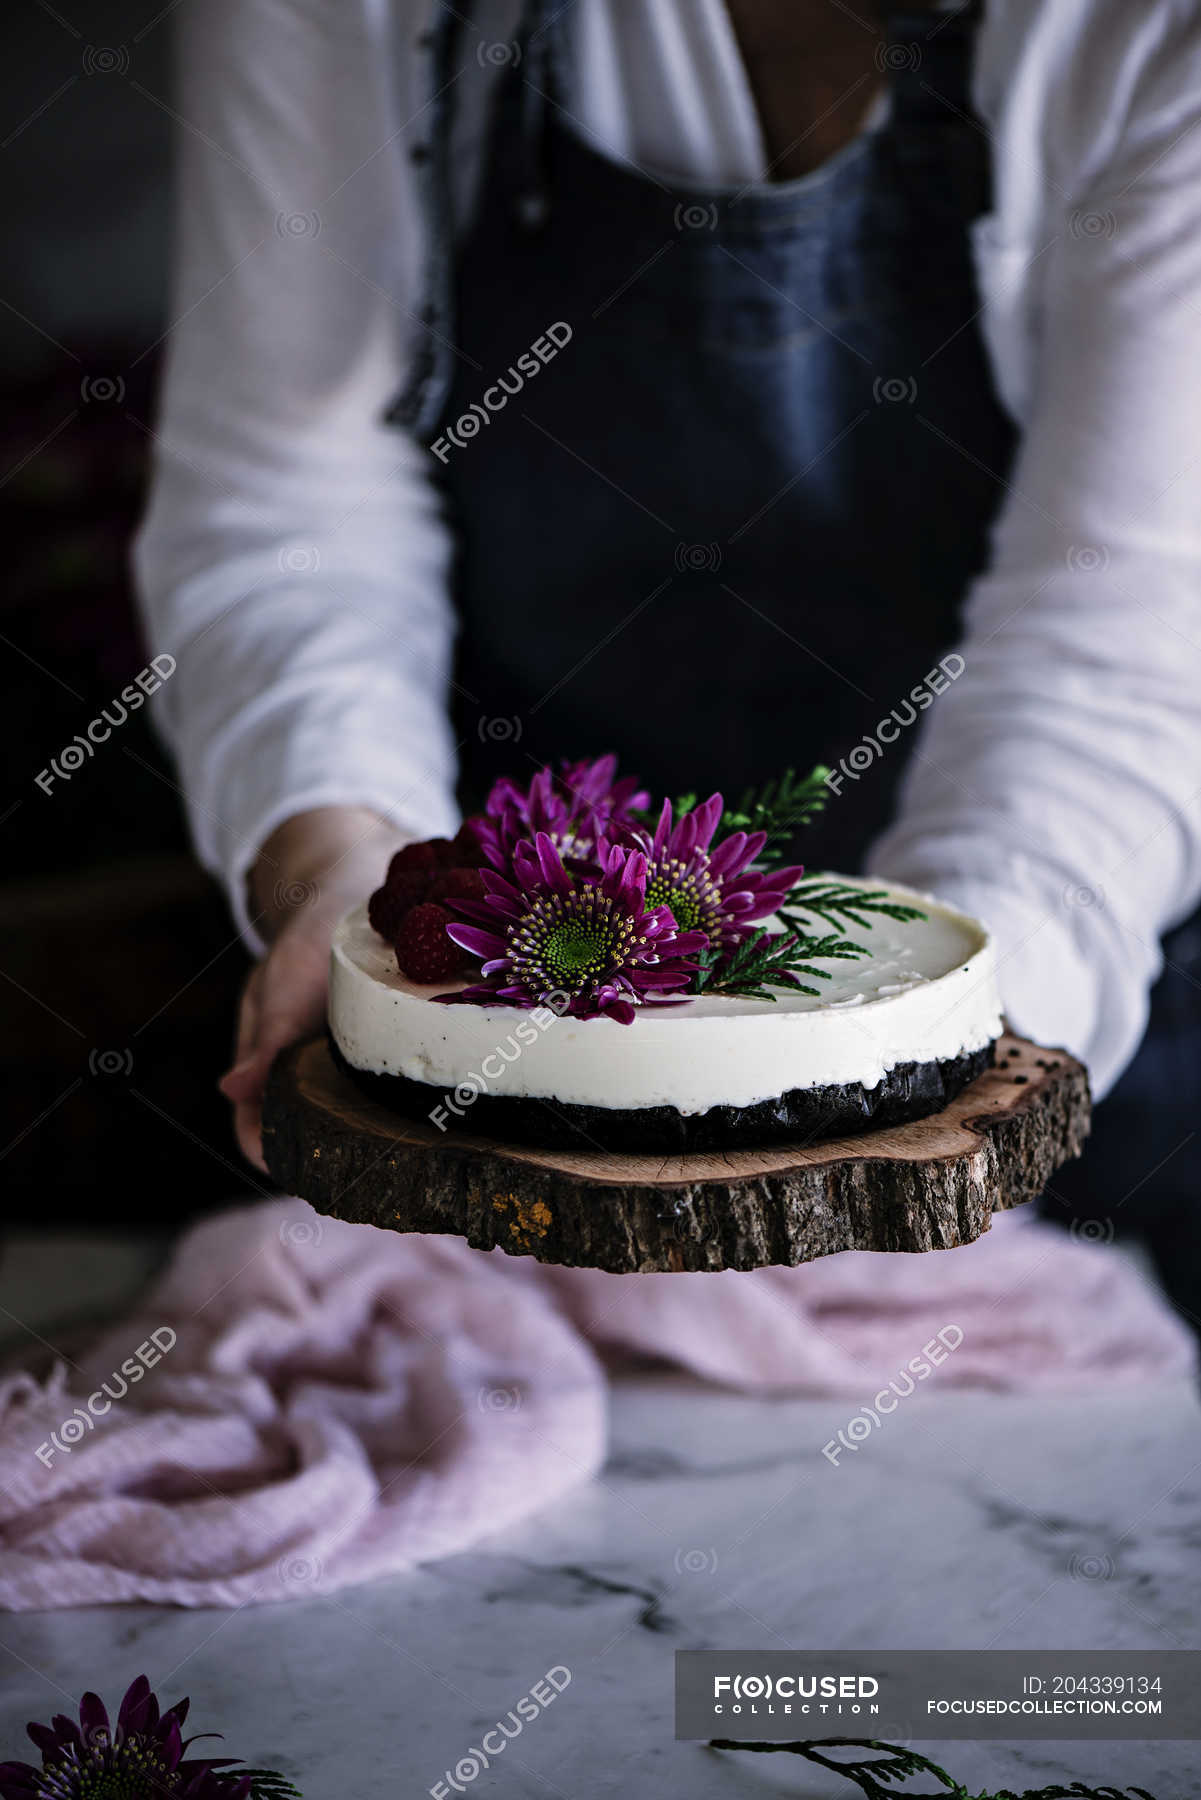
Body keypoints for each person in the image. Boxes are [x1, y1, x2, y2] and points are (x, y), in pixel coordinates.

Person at [136, 0, 1201, 1174]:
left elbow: (1117, 634)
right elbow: (292, 504)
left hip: (1052, 948)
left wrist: (908, 1054)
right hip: (509, 993)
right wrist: (346, 876)